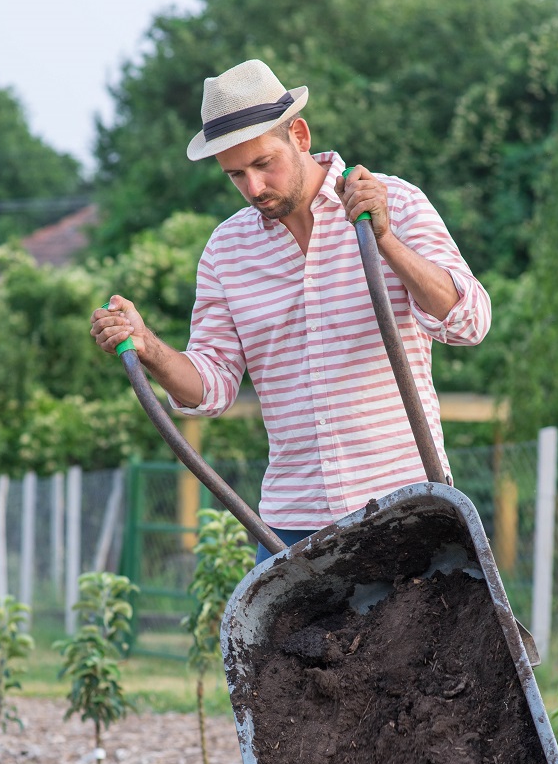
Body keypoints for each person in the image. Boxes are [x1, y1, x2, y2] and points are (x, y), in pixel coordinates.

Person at [90, 59, 491, 562]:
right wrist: (149, 347)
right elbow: (210, 389)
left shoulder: (396, 204)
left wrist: (384, 238)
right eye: (236, 174)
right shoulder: (226, 252)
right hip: (294, 527)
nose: (254, 188)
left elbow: (469, 321)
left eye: (263, 164)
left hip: (408, 505)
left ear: (299, 134)